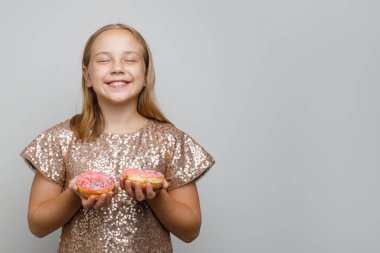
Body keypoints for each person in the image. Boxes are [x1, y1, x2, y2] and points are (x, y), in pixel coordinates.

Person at [20, 23, 215, 253]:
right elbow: (37, 225)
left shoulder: (170, 140)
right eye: (104, 60)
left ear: (145, 75)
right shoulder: (61, 139)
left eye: (130, 60)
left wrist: (155, 196)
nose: (117, 68)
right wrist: (75, 195)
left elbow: (190, 230)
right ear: (87, 76)